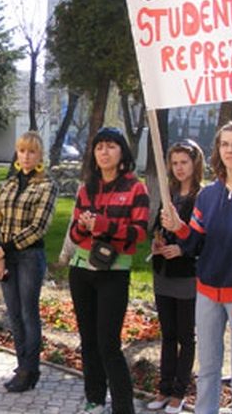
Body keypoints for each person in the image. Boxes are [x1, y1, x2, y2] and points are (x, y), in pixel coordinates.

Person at [162, 120, 232, 414]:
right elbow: (194, 244)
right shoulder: (207, 195)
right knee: (207, 368)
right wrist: (180, 229)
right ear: (218, 149)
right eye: (224, 144)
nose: (230, 150)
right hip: (206, 292)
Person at [68, 127, 149, 413]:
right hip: (81, 271)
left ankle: (123, 407)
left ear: (122, 152)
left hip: (113, 273)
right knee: (88, 341)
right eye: (99, 146)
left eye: (111, 146)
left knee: (108, 343)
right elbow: (76, 237)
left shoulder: (135, 188)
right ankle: (94, 399)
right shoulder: (85, 188)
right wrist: (82, 226)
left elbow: (139, 234)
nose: (104, 152)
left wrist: (101, 226)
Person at [0, 131, 58, 391]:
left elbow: (38, 226)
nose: (26, 156)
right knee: (14, 314)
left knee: (29, 314)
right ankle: (21, 365)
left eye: (31, 152)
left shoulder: (47, 185)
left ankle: (30, 370)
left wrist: (4, 248)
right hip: (5, 258)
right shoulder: (9, 184)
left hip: (29, 256)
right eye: (22, 151)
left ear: (40, 156)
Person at [146, 140, 204, 414]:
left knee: (185, 335)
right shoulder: (168, 193)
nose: (179, 168)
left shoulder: (201, 196)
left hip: (187, 275)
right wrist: (156, 242)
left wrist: (181, 249)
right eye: (175, 163)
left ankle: (179, 392)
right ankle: (164, 386)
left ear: (195, 164)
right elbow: (157, 226)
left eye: (184, 162)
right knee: (167, 334)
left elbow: (203, 237)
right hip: (164, 272)